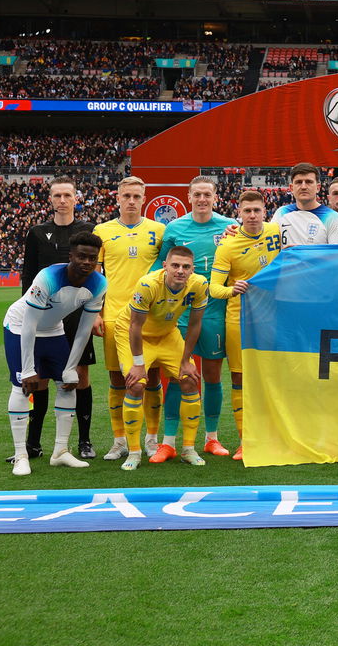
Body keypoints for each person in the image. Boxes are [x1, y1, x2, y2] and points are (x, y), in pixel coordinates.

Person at [3, 232, 105, 476]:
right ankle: (21, 455)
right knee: (22, 386)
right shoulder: (48, 276)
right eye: (81, 256)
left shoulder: (99, 283)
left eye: (92, 258)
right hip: (20, 327)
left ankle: (60, 452)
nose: (87, 262)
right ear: (71, 256)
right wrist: (28, 369)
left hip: (53, 330)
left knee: (67, 382)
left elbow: (83, 331)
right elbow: (29, 323)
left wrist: (71, 367)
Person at [153, 176, 235, 457]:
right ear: (189, 197)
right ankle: (169, 443)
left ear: (215, 197)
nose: (202, 199)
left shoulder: (229, 227)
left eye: (207, 195)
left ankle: (212, 438)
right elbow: (159, 266)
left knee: (212, 376)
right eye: (197, 194)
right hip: (180, 315)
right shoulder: (175, 228)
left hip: (214, 313)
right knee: (177, 376)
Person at [15, 176, 96, 462]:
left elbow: (98, 273)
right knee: (40, 378)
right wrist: (27, 312)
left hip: (76, 315)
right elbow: (28, 274)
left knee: (80, 375)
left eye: (67, 195)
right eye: (57, 195)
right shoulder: (37, 232)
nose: (62, 200)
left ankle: (84, 441)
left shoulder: (88, 230)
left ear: (76, 198)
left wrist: (98, 313)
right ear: (50, 199)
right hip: (43, 317)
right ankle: (33, 444)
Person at [92, 176, 166, 461]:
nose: (132, 201)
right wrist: (97, 313)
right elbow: (98, 277)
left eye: (137, 196)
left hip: (151, 317)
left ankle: (151, 438)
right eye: (127, 196)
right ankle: (119, 440)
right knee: (117, 379)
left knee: (152, 377)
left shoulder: (159, 230)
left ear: (144, 198)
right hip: (114, 316)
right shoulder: (102, 230)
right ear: (118, 198)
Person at [116, 246, 207, 470]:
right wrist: (138, 365)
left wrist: (186, 360)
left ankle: (188, 449)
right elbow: (135, 326)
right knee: (136, 384)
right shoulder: (148, 284)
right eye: (175, 265)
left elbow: (195, 324)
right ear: (165, 266)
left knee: (189, 380)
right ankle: (135, 453)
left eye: (186, 267)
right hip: (135, 334)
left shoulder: (199, 284)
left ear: (192, 269)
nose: (180, 271)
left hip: (167, 334)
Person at [209, 191, 283, 461]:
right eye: (247, 211)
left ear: (265, 211)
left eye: (256, 210)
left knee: (271, 378)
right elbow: (213, 287)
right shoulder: (228, 245)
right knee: (239, 378)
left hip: (273, 317)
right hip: (239, 319)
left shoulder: (276, 231)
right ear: (238, 213)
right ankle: (245, 441)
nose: (252, 215)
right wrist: (231, 289)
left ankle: (273, 436)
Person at [273, 162, 338, 245]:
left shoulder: (332, 218)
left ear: (318, 188)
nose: (303, 187)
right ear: (291, 188)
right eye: (298, 182)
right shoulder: (281, 213)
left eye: (309, 182)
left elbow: (337, 254)